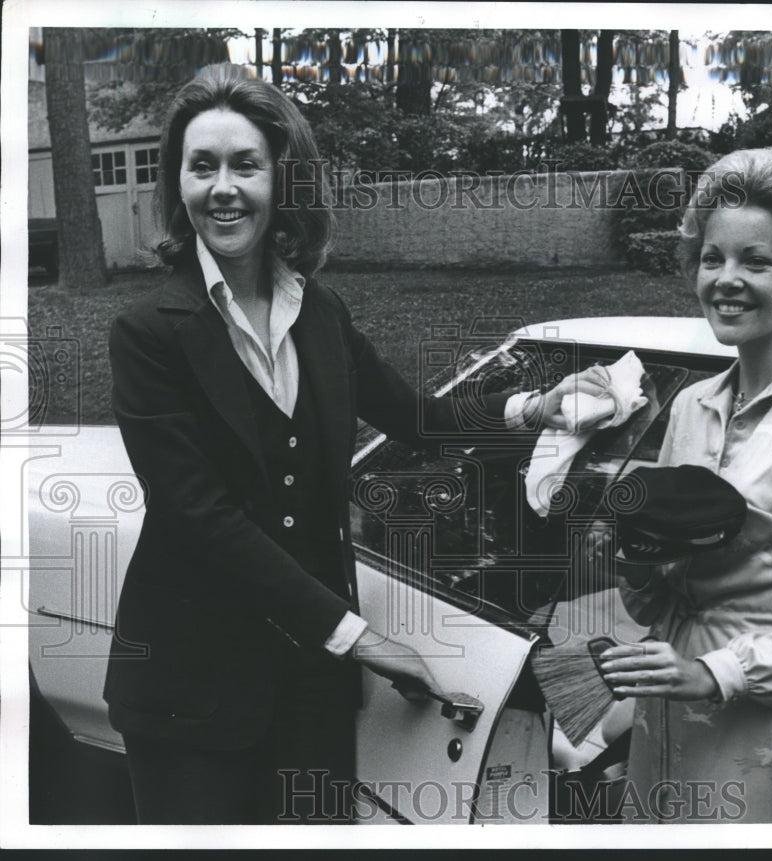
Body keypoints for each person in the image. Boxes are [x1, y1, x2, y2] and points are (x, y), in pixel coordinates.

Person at [103, 63, 597, 825]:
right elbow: (200, 515)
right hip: (191, 693)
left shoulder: (319, 309)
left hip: (310, 686)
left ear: (282, 179)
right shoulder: (146, 335)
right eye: (202, 166)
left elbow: (414, 415)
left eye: (246, 165)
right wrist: (361, 636)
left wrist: (536, 404)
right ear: (180, 183)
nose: (223, 187)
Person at [597, 148, 772, 823]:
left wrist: (713, 672)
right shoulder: (692, 405)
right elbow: (652, 597)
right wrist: (633, 552)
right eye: (712, 257)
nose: (726, 280)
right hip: (664, 716)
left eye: (756, 261)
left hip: (763, 739)